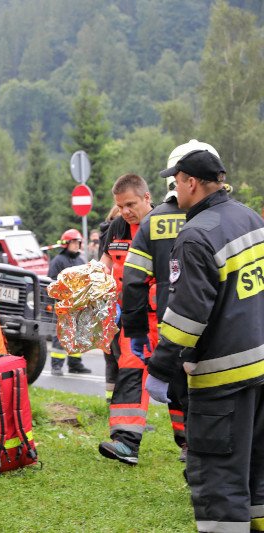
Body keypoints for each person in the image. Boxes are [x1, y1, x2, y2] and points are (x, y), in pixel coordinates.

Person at [145, 149, 264, 531]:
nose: (174, 190)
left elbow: (186, 318)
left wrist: (160, 369)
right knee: (257, 470)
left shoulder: (196, 235)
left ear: (191, 182)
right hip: (261, 370)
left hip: (222, 379)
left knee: (219, 479)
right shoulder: (250, 217)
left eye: (176, 181)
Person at [122, 140, 220, 464]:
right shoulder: (225, 220)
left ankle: (190, 448)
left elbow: (133, 281)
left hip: (170, 326)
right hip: (218, 326)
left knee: (179, 389)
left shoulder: (152, 222)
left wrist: (135, 331)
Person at [97, 173, 153, 465]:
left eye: (130, 204)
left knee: (182, 381)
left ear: (147, 198)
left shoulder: (161, 226)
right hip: (131, 318)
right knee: (130, 373)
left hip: (165, 318)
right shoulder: (117, 227)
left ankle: (190, 444)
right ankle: (126, 442)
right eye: (120, 206)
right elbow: (106, 261)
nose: (125, 212)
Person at [48, 229, 90, 376]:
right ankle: (56, 366)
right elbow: (52, 282)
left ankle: (75, 365)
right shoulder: (58, 261)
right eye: (73, 242)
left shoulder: (80, 260)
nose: (76, 245)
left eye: (78, 242)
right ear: (66, 244)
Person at [99, 206, 122, 403]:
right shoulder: (113, 237)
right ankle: (116, 401)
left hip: (110, 307)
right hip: (114, 306)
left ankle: (111, 401)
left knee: (111, 356)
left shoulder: (105, 236)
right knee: (118, 356)